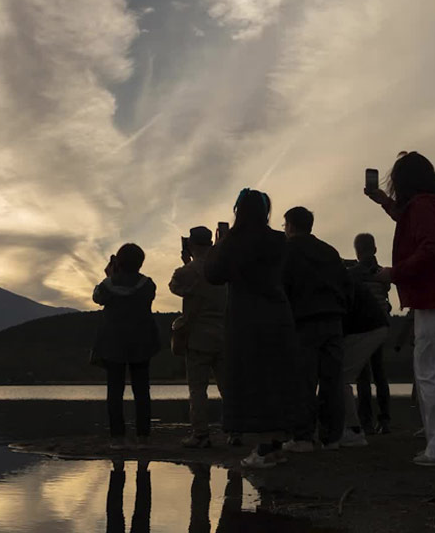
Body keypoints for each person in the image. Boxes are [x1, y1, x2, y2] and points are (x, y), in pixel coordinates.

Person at [365, 151, 435, 466]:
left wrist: (393, 273)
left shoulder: (424, 207)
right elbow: (411, 221)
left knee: (432, 373)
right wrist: (384, 202)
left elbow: (429, 250)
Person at [204, 188, 299, 468]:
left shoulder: (234, 242)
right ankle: (275, 443)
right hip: (278, 314)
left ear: (238, 212)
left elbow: (213, 275)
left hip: (246, 318)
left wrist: (219, 243)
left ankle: (265, 448)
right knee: (275, 379)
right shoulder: (280, 240)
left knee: (251, 380)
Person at [281, 206, 351, 452]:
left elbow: (283, 284)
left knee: (304, 381)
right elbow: (345, 283)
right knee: (333, 380)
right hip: (333, 320)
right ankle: (332, 437)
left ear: (290, 225)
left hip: (304, 321)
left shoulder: (287, 251)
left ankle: (302, 437)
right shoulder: (330, 252)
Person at [168, 226, 238, 448]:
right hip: (225, 333)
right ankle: (235, 432)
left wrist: (186, 262)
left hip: (198, 336)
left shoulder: (187, 272)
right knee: (228, 387)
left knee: (197, 388)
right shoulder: (226, 269)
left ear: (190, 245)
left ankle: (201, 434)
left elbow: (174, 287)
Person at [92, 243, 161, 449]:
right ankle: (143, 438)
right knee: (142, 391)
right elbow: (148, 296)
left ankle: (117, 438)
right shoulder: (148, 285)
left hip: (113, 344)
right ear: (141, 263)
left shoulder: (107, 285)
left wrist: (110, 275)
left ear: (118, 263)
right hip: (142, 342)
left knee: (114, 391)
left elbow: (97, 297)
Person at [348, 233, 393, 434]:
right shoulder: (383, 273)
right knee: (380, 374)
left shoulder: (354, 273)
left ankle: (366, 422)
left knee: (363, 377)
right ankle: (385, 420)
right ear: (374, 249)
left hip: (363, 328)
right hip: (382, 326)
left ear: (357, 251)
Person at [339, 278, 391, 447]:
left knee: (341, 377)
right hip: (372, 326)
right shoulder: (346, 280)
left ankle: (353, 430)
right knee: (371, 376)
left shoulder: (338, 283)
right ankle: (358, 426)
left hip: (366, 329)